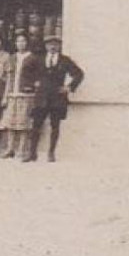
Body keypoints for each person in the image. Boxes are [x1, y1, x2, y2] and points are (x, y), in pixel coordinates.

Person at [31, 34, 85, 162]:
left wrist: (69, 87)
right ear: (46, 46)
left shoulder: (65, 60)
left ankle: (51, 153)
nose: (52, 47)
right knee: (36, 125)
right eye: (50, 44)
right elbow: (26, 72)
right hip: (41, 97)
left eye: (55, 44)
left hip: (57, 98)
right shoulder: (38, 59)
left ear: (59, 46)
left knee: (55, 126)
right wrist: (33, 82)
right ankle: (32, 153)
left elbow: (79, 74)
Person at [0, 31, 41, 160]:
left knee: (24, 123)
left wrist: (33, 88)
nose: (20, 44)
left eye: (23, 41)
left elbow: (38, 78)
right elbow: (7, 77)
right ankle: (10, 148)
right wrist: (5, 95)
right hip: (13, 94)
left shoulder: (33, 58)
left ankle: (21, 150)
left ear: (27, 43)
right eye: (18, 41)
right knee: (10, 122)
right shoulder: (12, 58)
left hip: (26, 95)